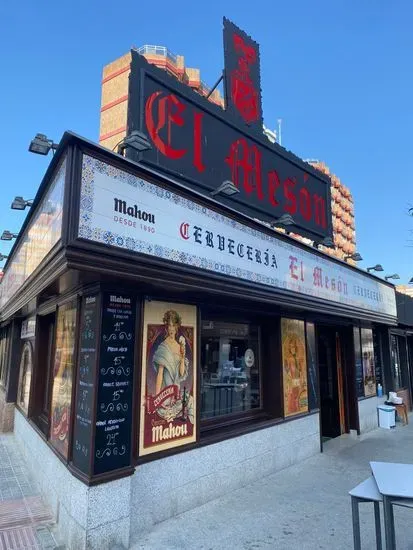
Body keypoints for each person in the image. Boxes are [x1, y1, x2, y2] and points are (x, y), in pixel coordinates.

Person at [152, 309, 193, 423]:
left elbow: (181, 373)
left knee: (189, 404)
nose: (171, 328)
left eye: (173, 325)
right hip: (165, 393)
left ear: (177, 327)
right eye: (169, 325)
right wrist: (157, 396)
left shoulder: (179, 346)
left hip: (176, 392)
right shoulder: (163, 346)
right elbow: (160, 374)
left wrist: (182, 356)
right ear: (166, 327)